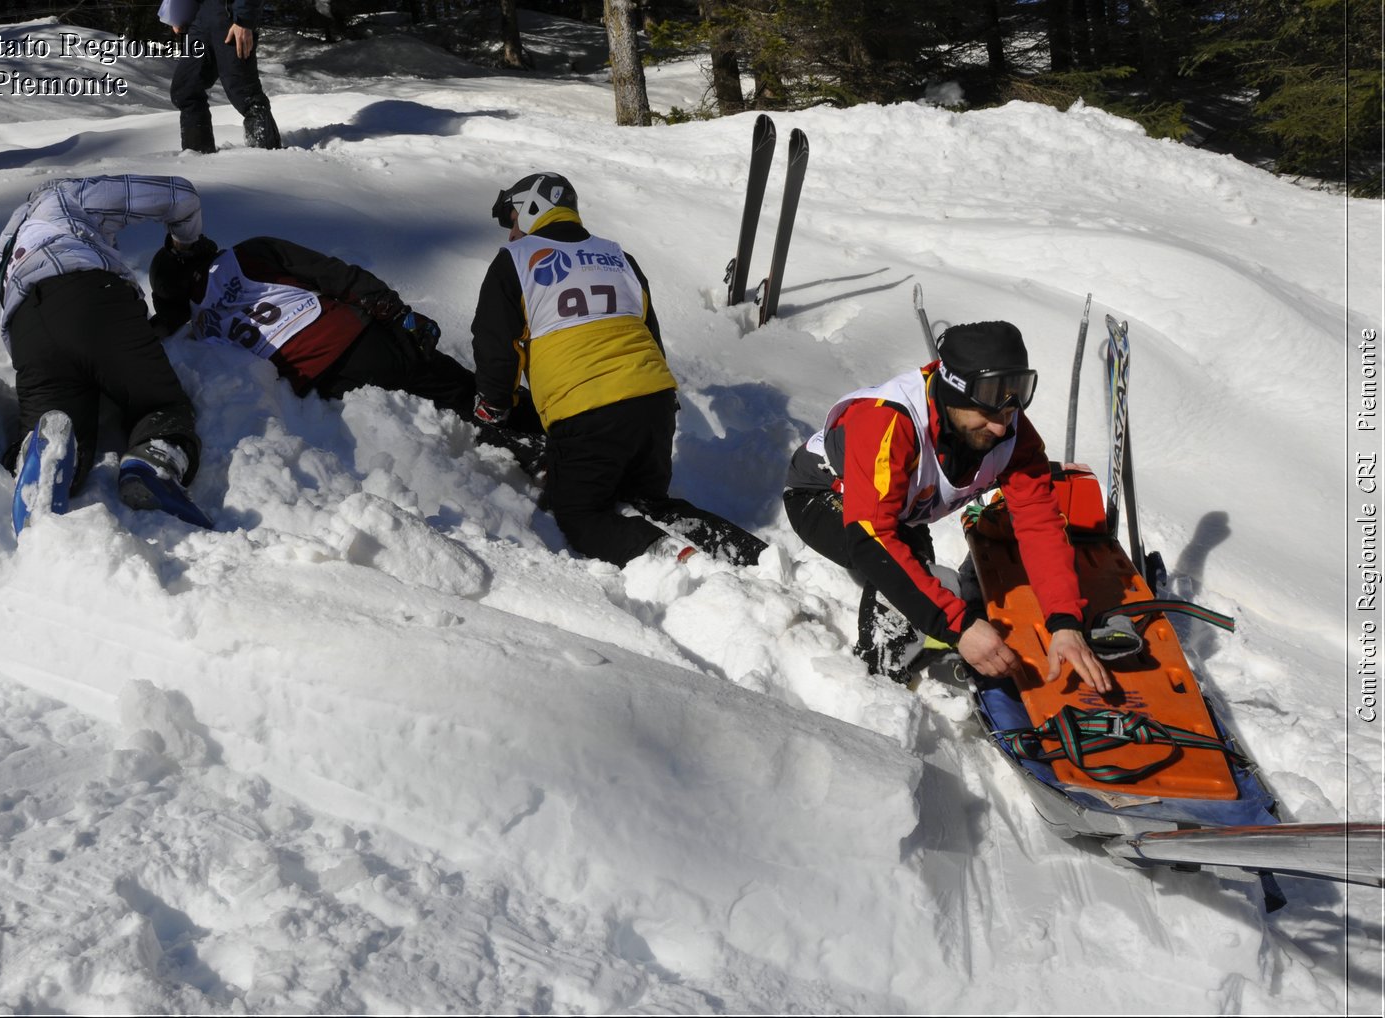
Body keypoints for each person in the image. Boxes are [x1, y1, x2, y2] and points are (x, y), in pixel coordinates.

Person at [783, 321, 1112, 691]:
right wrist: (961, 626)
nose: (1002, 427)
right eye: (988, 413)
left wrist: (1064, 620)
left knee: (923, 580)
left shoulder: (1012, 433)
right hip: (823, 496)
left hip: (901, 513)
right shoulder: (889, 421)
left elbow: (1039, 525)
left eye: (1010, 409)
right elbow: (870, 536)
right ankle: (878, 685)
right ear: (953, 393)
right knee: (907, 576)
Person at [471, 172, 767, 568]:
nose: (511, 232)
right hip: (654, 405)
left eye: (512, 219)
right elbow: (650, 333)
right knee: (651, 501)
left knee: (579, 514)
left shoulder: (516, 261)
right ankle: (752, 555)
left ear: (531, 207)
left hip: (587, 411)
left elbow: (496, 345)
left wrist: (494, 406)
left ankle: (668, 559)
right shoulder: (618, 257)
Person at [146, 234, 546, 466]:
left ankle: (521, 455)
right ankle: (550, 433)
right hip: (359, 337)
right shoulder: (249, 252)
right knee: (464, 390)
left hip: (327, 381)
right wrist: (396, 310)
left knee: (440, 415)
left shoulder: (199, 330)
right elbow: (332, 273)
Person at [0, 174, 211, 530]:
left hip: (28, 332)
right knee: (159, 405)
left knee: (63, 441)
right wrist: (184, 246)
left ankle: (38, 455)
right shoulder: (65, 195)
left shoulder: (6, 247)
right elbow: (182, 196)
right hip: (89, 292)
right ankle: (153, 459)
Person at [167, 0, 280, 153]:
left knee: (244, 93)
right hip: (200, 17)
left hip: (231, 16)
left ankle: (269, 155)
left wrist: (244, 20)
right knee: (186, 88)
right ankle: (196, 156)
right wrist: (178, 12)